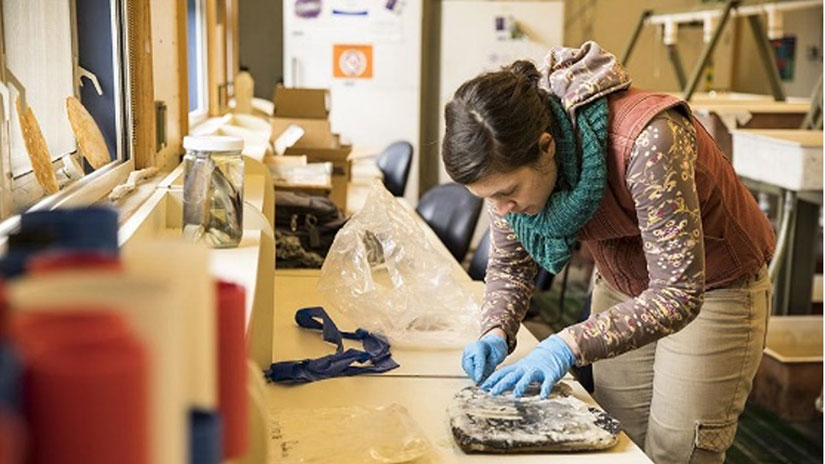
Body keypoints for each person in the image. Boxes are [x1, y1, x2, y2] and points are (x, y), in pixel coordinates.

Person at [444, 42, 775, 464]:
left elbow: (677, 293)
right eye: (490, 199)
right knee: (616, 439)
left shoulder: (648, 139)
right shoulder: (505, 170)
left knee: (676, 450)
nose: (503, 209)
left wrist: (567, 344)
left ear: (547, 147)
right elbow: (511, 264)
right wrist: (494, 328)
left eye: (508, 193)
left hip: (713, 286)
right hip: (622, 282)